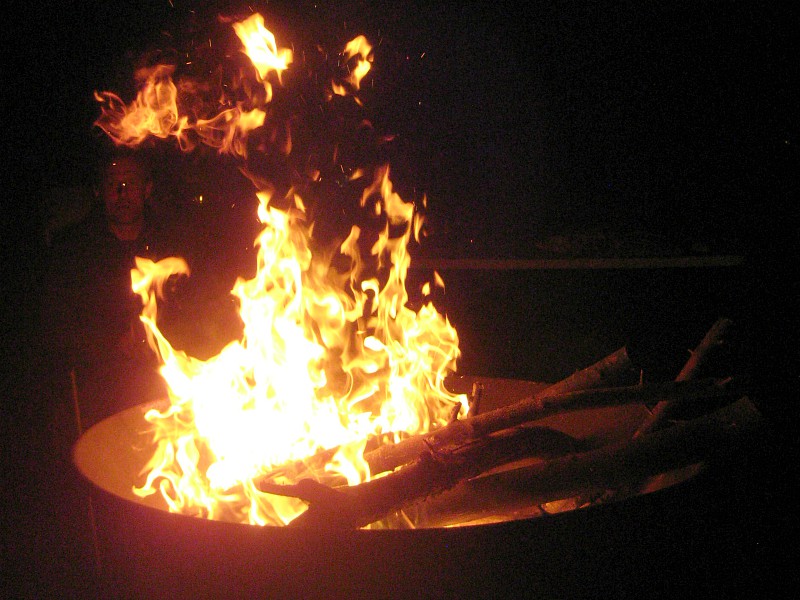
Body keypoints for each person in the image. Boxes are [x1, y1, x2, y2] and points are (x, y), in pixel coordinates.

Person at [39, 146, 179, 430]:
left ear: (147, 188)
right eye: (113, 184)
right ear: (98, 192)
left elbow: (194, 310)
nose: (122, 192)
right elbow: (55, 326)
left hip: (168, 381)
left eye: (131, 182)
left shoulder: (171, 243)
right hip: (101, 388)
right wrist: (111, 344)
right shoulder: (74, 249)